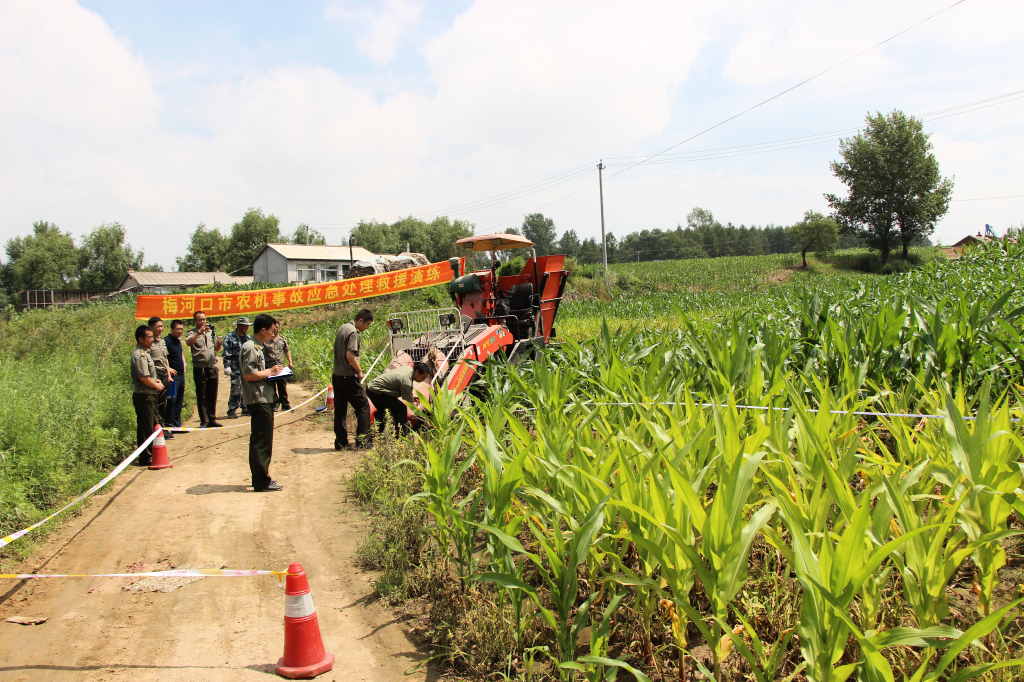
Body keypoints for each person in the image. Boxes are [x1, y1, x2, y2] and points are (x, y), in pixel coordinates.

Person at [242, 314, 284, 492]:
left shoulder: (257, 347)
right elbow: (249, 374)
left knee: (262, 440)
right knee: (262, 441)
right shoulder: (251, 348)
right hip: (258, 399)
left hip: (264, 397)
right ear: (263, 330)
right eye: (272, 330)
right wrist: (270, 371)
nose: (273, 334)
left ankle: (261, 477)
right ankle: (261, 481)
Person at [332, 308, 373, 450]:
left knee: (340, 410)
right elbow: (350, 356)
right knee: (363, 407)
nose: (366, 328)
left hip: (337, 376)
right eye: (367, 325)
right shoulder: (353, 332)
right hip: (348, 377)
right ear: (360, 320)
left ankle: (340, 442)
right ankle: (363, 442)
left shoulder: (343, 327)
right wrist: (359, 371)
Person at [366, 362, 431, 436]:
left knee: (381, 413)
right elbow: (410, 403)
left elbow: (405, 393)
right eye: (422, 377)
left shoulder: (408, 369)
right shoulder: (406, 381)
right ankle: (401, 435)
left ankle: (377, 435)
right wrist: (419, 416)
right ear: (417, 372)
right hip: (376, 391)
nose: (423, 380)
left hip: (373, 388)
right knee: (401, 409)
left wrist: (411, 398)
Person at [131, 325, 164, 467]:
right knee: (146, 427)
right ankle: (146, 457)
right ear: (141, 339)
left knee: (150, 424)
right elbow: (143, 378)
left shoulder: (146, 352)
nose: (152, 339)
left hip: (149, 394)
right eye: (149, 337)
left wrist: (156, 380)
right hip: (144, 396)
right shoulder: (140, 355)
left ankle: (149, 454)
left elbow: (149, 375)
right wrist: (157, 385)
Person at [186, 310, 223, 428]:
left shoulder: (210, 332)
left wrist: (218, 344)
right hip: (200, 367)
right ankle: (204, 420)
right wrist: (198, 332)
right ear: (195, 321)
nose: (202, 321)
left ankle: (212, 418)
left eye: (204, 319)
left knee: (212, 394)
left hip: (211, 366)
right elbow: (188, 342)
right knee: (202, 394)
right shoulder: (191, 333)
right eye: (199, 319)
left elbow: (215, 349)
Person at [147, 316, 177, 439]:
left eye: (162, 326)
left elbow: (165, 360)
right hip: (155, 376)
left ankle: (163, 428)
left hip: (165, 376)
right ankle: (158, 430)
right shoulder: (148, 343)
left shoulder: (162, 341)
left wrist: (169, 374)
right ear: (151, 328)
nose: (161, 329)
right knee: (156, 405)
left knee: (165, 403)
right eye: (158, 326)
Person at [223, 317, 251, 418]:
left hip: (246, 367)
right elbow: (226, 353)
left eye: (247, 326)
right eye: (245, 326)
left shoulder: (248, 338)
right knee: (236, 388)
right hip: (235, 367)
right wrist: (227, 366)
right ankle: (232, 410)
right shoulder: (230, 337)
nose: (247, 327)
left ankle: (246, 408)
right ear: (239, 326)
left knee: (247, 388)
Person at [263, 320, 293, 411]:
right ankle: (275, 404)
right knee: (271, 387)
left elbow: (287, 350)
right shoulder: (265, 340)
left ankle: (285, 404)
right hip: (269, 367)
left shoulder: (282, 339)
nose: (275, 329)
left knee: (282, 386)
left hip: (280, 367)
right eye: (274, 327)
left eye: (277, 327)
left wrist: (290, 361)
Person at [163, 319, 187, 428]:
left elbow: (180, 354)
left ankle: (177, 424)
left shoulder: (178, 341)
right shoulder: (166, 341)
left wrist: (184, 363)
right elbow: (164, 358)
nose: (180, 331)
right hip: (172, 377)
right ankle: (169, 424)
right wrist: (168, 370)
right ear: (172, 329)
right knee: (171, 400)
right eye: (178, 329)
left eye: (181, 329)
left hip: (181, 376)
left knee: (179, 400)